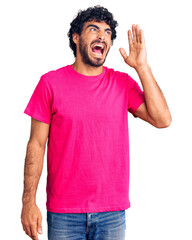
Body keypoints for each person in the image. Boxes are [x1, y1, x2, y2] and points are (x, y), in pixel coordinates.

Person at [21, 5, 172, 240]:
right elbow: (36, 145)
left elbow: (163, 120)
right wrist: (28, 202)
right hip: (64, 213)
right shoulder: (50, 83)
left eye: (108, 32)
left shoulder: (122, 84)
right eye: (94, 29)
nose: (103, 35)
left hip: (112, 212)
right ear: (76, 37)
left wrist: (141, 66)